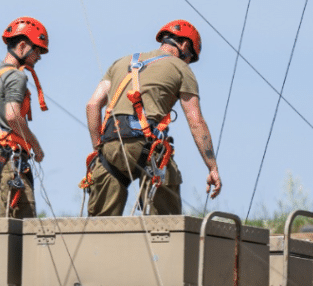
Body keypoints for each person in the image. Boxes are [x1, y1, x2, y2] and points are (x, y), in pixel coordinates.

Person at [83, 19, 221, 216]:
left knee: (100, 226)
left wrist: (99, 149)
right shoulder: (182, 69)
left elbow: (92, 105)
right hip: (148, 148)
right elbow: (195, 121)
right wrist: (212, 168)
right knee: (166, 226)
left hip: (111, 146)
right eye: (190, 56)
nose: (188, 61)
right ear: (184, 45)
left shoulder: (122, 62)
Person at [0, 17, 49, 218]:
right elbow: (13, 116)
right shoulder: (17, 76)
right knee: (22, 232)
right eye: (37, 50)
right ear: (23, 46)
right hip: (10, 161)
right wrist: (36, 146)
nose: (39, 57)